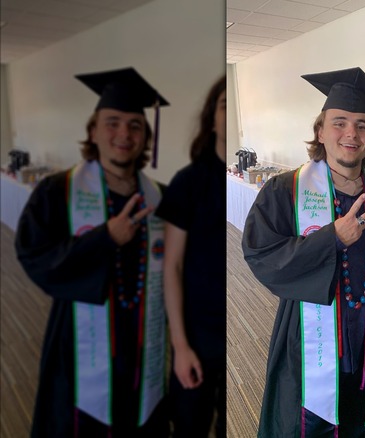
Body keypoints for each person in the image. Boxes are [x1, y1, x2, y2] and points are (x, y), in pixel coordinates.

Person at [242, 67, 365, 437]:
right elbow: (260, 253)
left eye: (362, 125)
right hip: (308, 337)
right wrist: (332, 238)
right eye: (339, 122)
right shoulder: (285, 190)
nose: (351, 133)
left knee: (364, 420)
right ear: (320, 131)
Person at [15, 67, 170, 437]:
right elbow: (34, 256)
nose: (124, 134)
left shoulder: (160, 198)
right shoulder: (58, 191)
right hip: (78, 340)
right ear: (93, 130)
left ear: (145, 136)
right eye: (112, 122)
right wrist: (104, 238)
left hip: (144, 338)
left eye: (135, 125)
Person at [155, 75, 226, 437]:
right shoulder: (188, 182)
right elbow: (173, 266)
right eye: (222, 105)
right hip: (196, 333)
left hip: (232, 329)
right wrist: (179, 345)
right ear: (211, 118)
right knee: (189, 425)